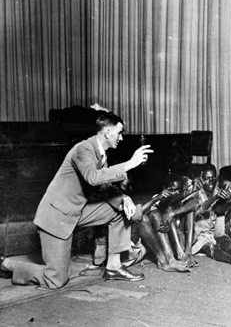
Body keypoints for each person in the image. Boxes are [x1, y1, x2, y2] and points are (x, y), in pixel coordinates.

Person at [0, 113, 153, 287]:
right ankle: (8, 264)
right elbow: (93, 178)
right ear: (108, 131)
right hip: (56, 217)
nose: (121, 138)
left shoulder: (100, 155)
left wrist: (125, 198)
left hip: (76, 212)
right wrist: (129, 164)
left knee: (119, 210)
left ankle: (113, 267)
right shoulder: (83, 149)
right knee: (56, 280)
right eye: (120, 133)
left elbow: (102, 186)